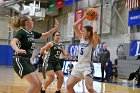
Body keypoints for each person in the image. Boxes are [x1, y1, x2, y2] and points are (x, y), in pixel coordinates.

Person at [10, 15, 59, 93]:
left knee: (39, 84)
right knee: (35, 84)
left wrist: (55, 29)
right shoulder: (22, 32)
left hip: (27, 61)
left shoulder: (32, 33)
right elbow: (13, 42)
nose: (33, 22)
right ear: (27, 22)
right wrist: (17, 49)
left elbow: (46, 35)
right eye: (31, 20)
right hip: (20, 60)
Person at [66, 14, 100, 93]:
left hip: (87, 66)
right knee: (68, 85)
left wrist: (94, 20)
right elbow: (75, 26)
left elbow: (94, 32)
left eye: (84, 31)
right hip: (78, 65)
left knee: (89, 88)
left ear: (88, 33)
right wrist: (84, 17)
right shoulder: (82, 38)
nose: (82, 32)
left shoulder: (93, 42)